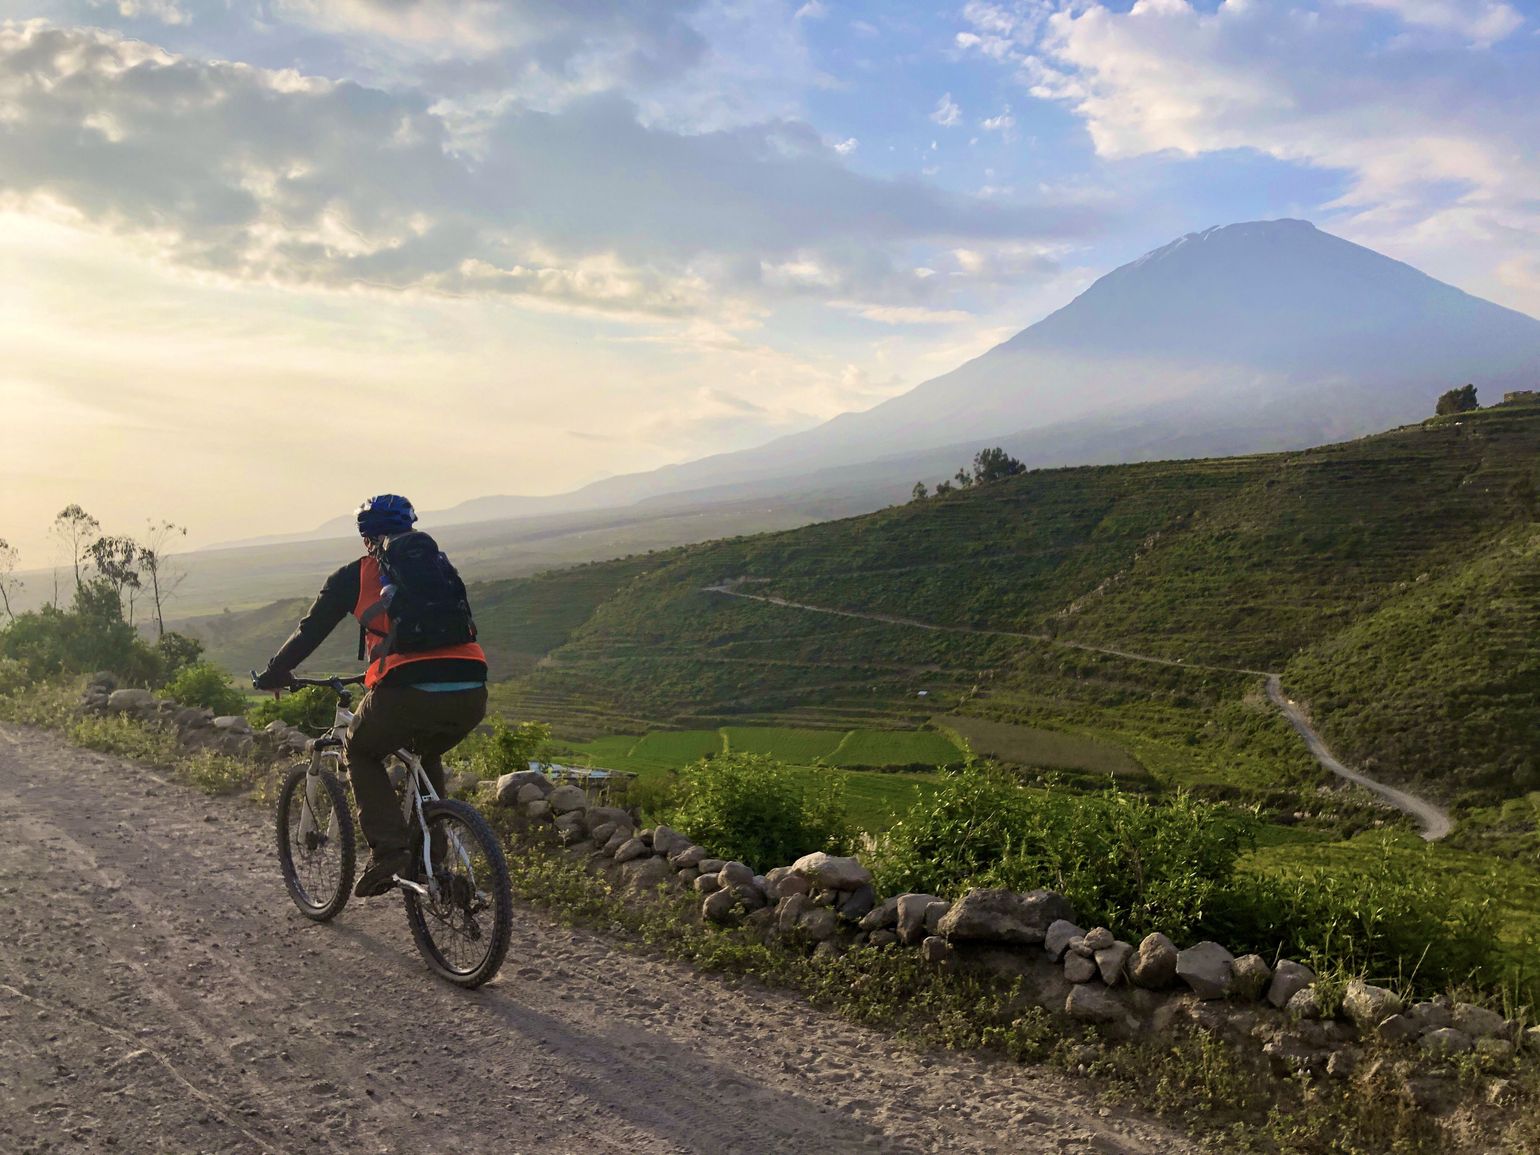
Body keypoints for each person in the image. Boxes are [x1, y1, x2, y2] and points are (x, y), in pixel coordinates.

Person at [255, 495, 488, 897]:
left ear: (367, 538)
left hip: (406, 689)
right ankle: (434, 864)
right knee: (424, 753)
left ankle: (389, 851)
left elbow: (310, 630)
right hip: (471, 686)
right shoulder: (439, 567)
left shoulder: (358, 575)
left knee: (360, 749)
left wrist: (276, 673)